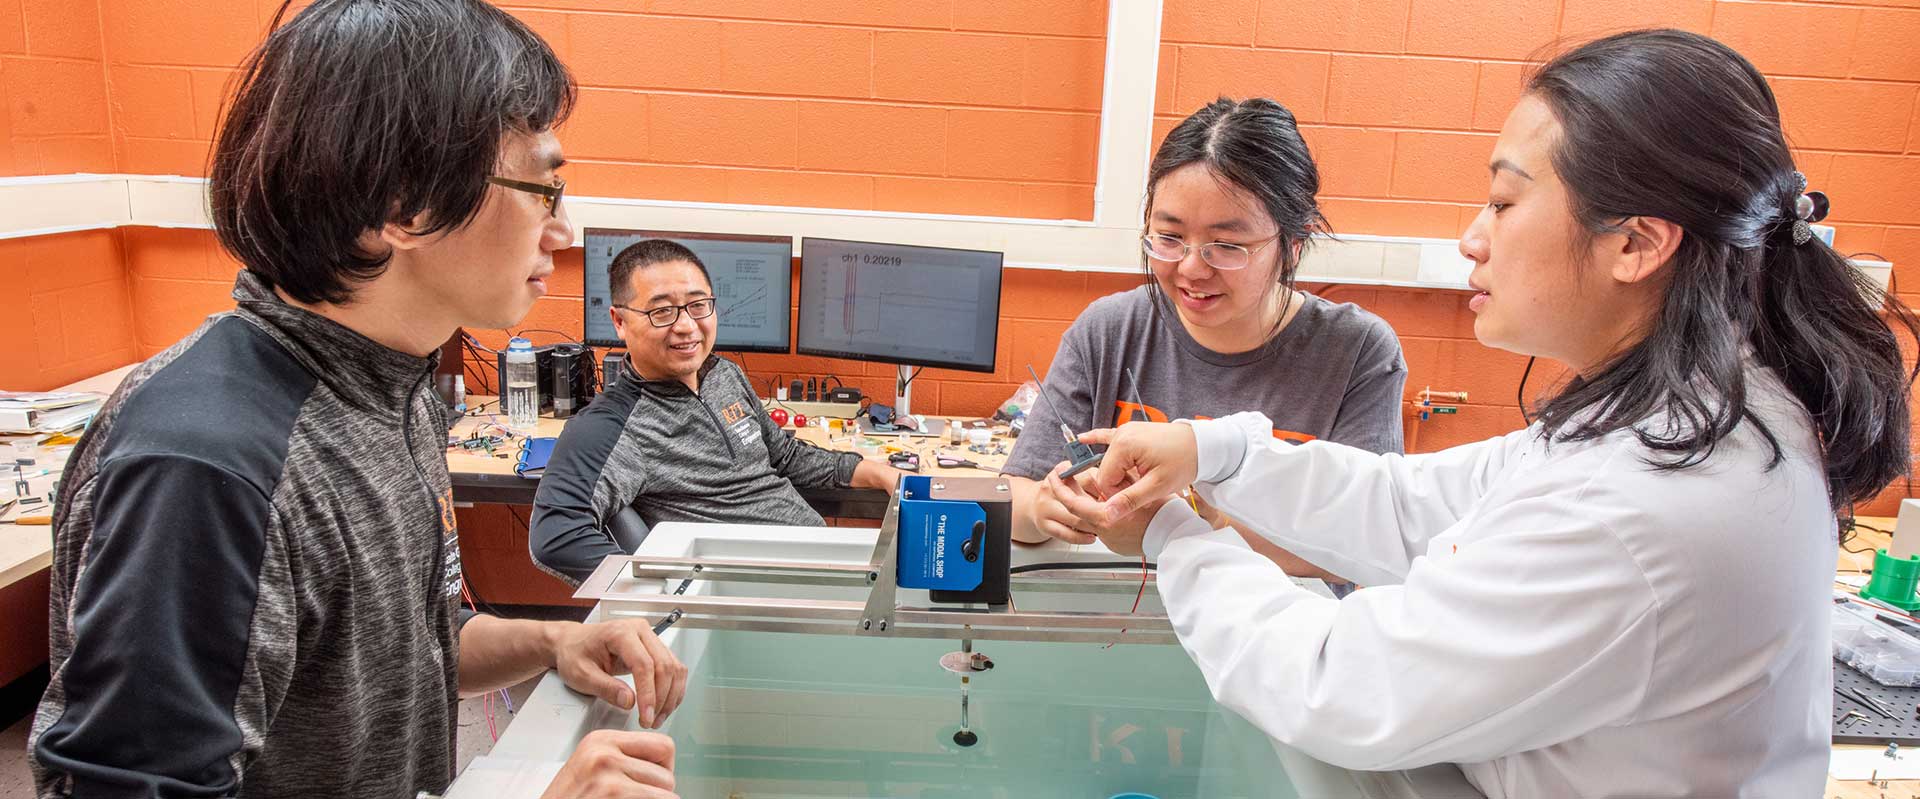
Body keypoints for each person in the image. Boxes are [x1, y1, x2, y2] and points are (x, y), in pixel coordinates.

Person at [1048, 29, 1916, 798]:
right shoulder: (1669, 412)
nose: (1471, 238)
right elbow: (1409, 502)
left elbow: (1338, 685)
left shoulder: (1649, 500)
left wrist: (1174, 535)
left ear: (1637, 242)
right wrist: (1214, 451)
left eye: (1503, 202)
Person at [28, 2, 684, 797]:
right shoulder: (208, 465)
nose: (562, 230)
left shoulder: (389, 389)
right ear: (404, 206)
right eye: (542, 190)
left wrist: (551, 640)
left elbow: (397, 642)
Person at [1003, 97, 1405, 580]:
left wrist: (1198, 526)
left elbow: (1368, 548)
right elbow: (1016, 496)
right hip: (1125, 629)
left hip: (1287, 640)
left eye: (1228, 246)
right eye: (1169, 238)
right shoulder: (1110, 329)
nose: (1192, 269)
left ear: (1291, 246)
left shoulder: (1356, 352)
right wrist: (1048, 508)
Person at [530, 239, 901, 585]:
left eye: (698, 305)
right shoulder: (610, 427)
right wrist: (655, 592)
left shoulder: (723, 374)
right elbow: (556, 535)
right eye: (662, 312)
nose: (687, 327)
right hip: (750, 593)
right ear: (619, 321)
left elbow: (784, 456)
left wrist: (871, 471)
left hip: (813, 563)